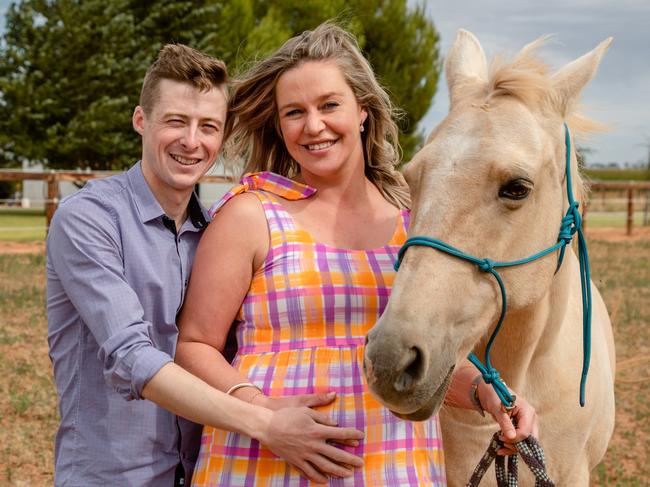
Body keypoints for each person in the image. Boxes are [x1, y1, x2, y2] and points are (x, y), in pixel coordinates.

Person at [175, 22, 538, 486]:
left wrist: (489, 394)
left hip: (393, 465)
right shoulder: (252, 214)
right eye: (294, 112)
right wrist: (262, 413)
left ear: (363, 110)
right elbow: (194, 346)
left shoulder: (413, 223)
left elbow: (420, 354)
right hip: (264, 462)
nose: (313, 126)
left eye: (329, 105)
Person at [46, 43, 365, 487]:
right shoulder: (88, 219)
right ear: (141, 121)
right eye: (175, 121)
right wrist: (264, 421)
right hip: (110, 476)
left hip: (199, 473)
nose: (191, 141)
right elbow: (134, 358)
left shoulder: (218, 231)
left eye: (208, 126)